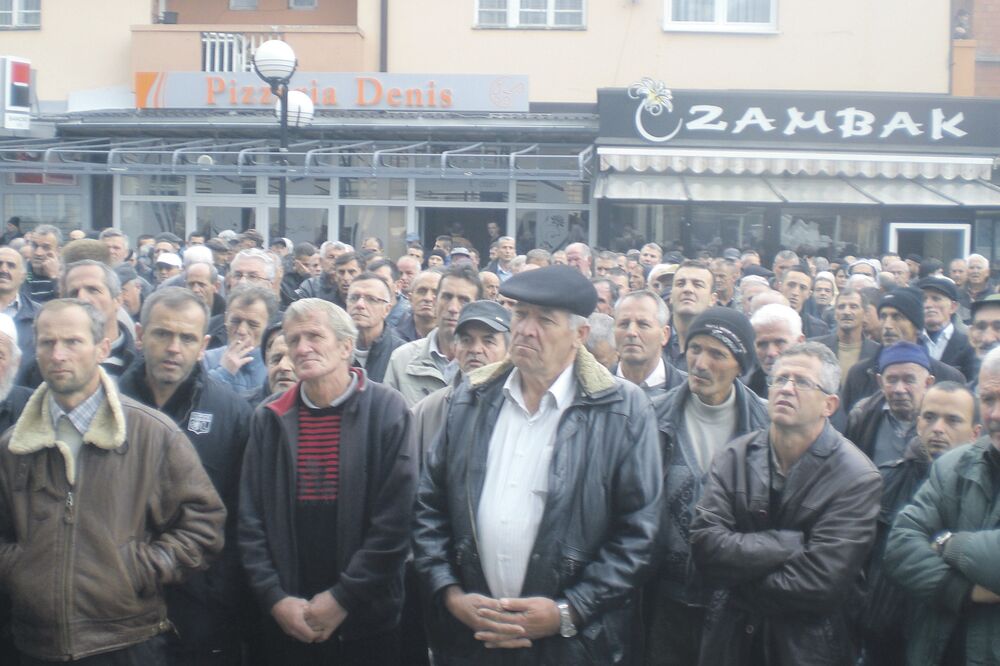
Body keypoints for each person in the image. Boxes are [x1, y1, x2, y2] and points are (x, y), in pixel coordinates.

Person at [412, 265, 661, 664]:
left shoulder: (623, 410)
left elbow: (639, 534)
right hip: (474, 639)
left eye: (544, 320)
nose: (526, 329)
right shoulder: (472, 399)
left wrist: (570, 610)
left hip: (570, 645)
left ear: (580, 336)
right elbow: (429, 505)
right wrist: (450, 594)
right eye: (520, 314)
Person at [0, 299, 225, 663]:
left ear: (102, 347)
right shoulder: (13, 446)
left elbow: (203, 525)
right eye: (47, 342)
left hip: (126, 643)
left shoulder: (153, 434)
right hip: (35, 645)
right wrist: (22, 568)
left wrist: (136, 568)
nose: (58, 354)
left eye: (72, 342)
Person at [239, 298, 416, 665]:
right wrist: (275, 598)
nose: (302, 348)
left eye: (315, 336)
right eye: (293, 339)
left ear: (346, 346)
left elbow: (396, 521)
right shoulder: (269, 417)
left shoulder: (387, 410)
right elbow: (250, 519)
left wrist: (343, 599)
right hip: (287, 615)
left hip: (367, 619)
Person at [690, 342, 882, 666]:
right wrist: (784, 544)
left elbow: (820, 584)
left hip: (806, 648)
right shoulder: (734, 456)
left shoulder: (857, 477)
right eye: (780, 379)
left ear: (830, 404)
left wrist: (734, 582)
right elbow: (705, 546)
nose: (786, 389)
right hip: (730, 642)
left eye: (802, 382)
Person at [118, 287, 253, 665]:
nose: (174, 347)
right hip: (117, 603)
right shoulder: (106, 405)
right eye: (163, 334)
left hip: (201, 609)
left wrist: (218, 594)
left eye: (187, 337)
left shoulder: (232, 414)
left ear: (204, 344)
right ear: (141, 335)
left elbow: (244, 517)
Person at [645, 306, 768, 666]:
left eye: (717, 353)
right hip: (662, 599)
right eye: (695, 348)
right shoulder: (652, 416)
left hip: (735, 604)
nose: (700, 362)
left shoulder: (767, 424)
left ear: (740, 365)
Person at [884, 345, 1000, 665]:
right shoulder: (953, 465)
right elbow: (899, 545)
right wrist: (962, 591)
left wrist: (950, 543)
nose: (995, 413)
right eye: (988, 399)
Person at [860, 381, 980, 665]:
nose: (938, 428)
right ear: (917, 423)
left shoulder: (982, 495)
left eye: (952, 420)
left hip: (946, 644)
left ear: (976, 434)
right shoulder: (883, 480)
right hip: (880, 640)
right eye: (929, 417)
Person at [841, 287, 965, 412]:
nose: (887, 325)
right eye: (883, 317)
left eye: (897, 317)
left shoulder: (948, 377)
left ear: (917, 326)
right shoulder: (860, 374)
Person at [385, 265, 481, 406]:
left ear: (477, 308)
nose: (453, 308)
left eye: (464, 300)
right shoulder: (402, 359)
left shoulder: (488, 363)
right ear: (435, 302)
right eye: (447, 297)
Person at [845, 341, 935, 464]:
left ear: (928, 383)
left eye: (909, 380)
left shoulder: (941, 421)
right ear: (880, 382)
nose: (899, 389)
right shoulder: (862, 417)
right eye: (891, 380)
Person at [202, 286, 276, 399]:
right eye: (235, 321)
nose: (241, 330)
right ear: (226, 318)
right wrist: (223, 372)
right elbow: (196, 404)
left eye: (252, 324)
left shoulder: (277, 365)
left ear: (268, 326)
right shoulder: (206, 359)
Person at [613, 289, 685, 397]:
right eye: (624, 324)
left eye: (643, 324)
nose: (631, 332)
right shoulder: (594, 388)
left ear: (664, 335)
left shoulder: (689, 391)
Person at [812, 288, 880, 386]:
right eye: (841, 307)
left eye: (853, 307)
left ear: (865, 314)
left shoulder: (877, 353)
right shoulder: (816, 349)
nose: (846, 312)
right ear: (835, 314)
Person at [346, 272, 404, 383]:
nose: (360, 304)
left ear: (387, 310)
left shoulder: (401, 354)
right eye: (354, 298)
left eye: (371, 299)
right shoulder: (334, 348)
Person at [918, 275, 977, 379]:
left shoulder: (968, 345)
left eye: (936, 299)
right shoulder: (910, 341)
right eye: (923, 299)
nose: (928, 304)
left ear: (953, 307)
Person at [744, 303, 805, 399]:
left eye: (779, 342)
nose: (771, 353)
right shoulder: (746, 387)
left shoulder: (818, 387)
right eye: (762, 344)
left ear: (799, 342)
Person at [665, 260, 716, 371]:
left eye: (697, 285)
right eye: (680, 284)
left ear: (712, 299)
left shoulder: (720, 347)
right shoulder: (652, 337)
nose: (687, 289)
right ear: (671, 296)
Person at [777, 263, 830, 338]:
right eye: (791, 285)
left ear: (809, 294)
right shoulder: (765, 320)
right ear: (780, 286)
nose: (795, 292)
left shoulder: (818, 329)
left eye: (802, 288)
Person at [395, 270, 442, 342]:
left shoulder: (453, 339)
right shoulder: (393, 338)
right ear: (410, 298)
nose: (428, 298)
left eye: (436, 293)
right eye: (422, 291)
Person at [25, 223, 61, 302]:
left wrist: (55, 277)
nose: (38, 253)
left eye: (46, 247)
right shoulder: (21, 273)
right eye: (34, 246)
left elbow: (67, 303)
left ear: (58, 251)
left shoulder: (66, 275)